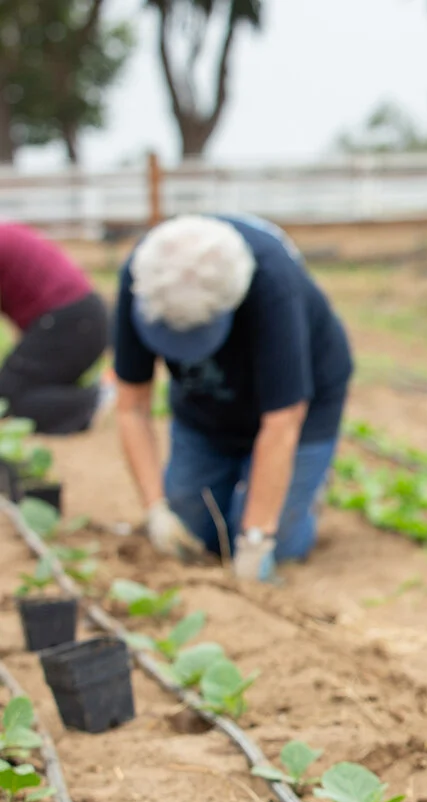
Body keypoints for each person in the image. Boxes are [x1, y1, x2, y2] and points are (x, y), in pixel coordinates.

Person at [112, 213, 354, 583]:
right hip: (207, 401)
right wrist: (155, 508)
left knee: (279, 543)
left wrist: (257, 539)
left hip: (301, 403)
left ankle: (306, 492)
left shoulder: (272, 280)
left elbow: (283, 420)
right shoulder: (144, 277)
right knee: (195, 534)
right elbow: (131, 406)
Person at [0, 222, 109, 434]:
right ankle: (81, 396)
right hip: (79, 319)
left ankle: (90, 401)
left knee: (7, 399)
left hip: (71, 323)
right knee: (15, 388)